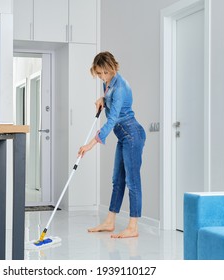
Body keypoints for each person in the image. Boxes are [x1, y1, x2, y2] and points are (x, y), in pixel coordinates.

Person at [78, 51, 146, 238]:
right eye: (99, 73)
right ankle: (109, 221)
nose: (102, 76)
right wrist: (102, 100)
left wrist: (91, 144)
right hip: (124, 136)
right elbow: (110, 102)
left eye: (105, 73)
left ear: (113, 67)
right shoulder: (107, 83)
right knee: (117, 180)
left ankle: (133, 226)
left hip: (132, 134)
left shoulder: (121, 86)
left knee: (132, 182)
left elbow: (113, 119)